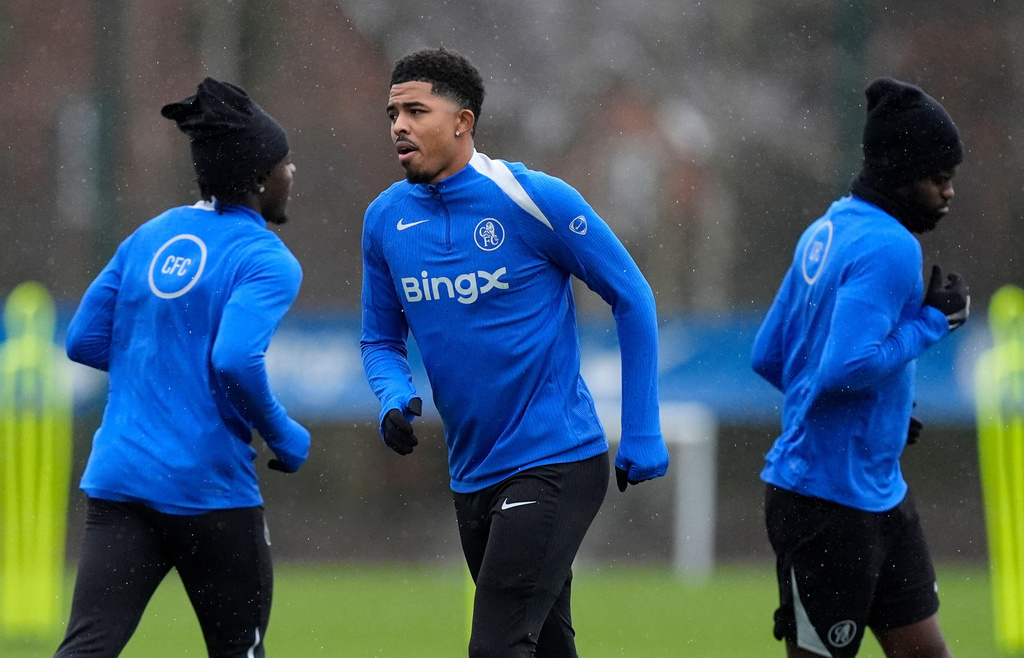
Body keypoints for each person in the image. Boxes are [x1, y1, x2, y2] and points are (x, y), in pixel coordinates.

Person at [360, 47, 669, 658]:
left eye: (415, 110)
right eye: (392, 112)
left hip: (555, 456)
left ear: (462, 121)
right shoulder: (384, 221)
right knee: (547, 647)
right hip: (472, 470)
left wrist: (642, 430)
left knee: (497, 646)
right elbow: (379, 338)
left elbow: (633, 296)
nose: (398, 125)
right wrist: (393, 395)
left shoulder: (534, 199)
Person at [55, 77, 309, 658]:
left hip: (120, 480)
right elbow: (235, 359)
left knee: (87, 647)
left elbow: (82, 339)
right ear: (256, 177)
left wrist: (161, 375)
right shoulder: (265, 258)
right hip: (208, 489)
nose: (290, 172)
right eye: (282, 162)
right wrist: (283, 434)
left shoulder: (152, 234)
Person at [751, 77, 969, 658]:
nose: (949, 193)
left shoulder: (827, 228)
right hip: (826, 507)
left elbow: (770, 356)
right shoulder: (892, 247)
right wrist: (932, 324)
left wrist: (882, 415)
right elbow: (844, 370)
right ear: (901, 173)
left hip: (879, 494)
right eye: (937, 178)